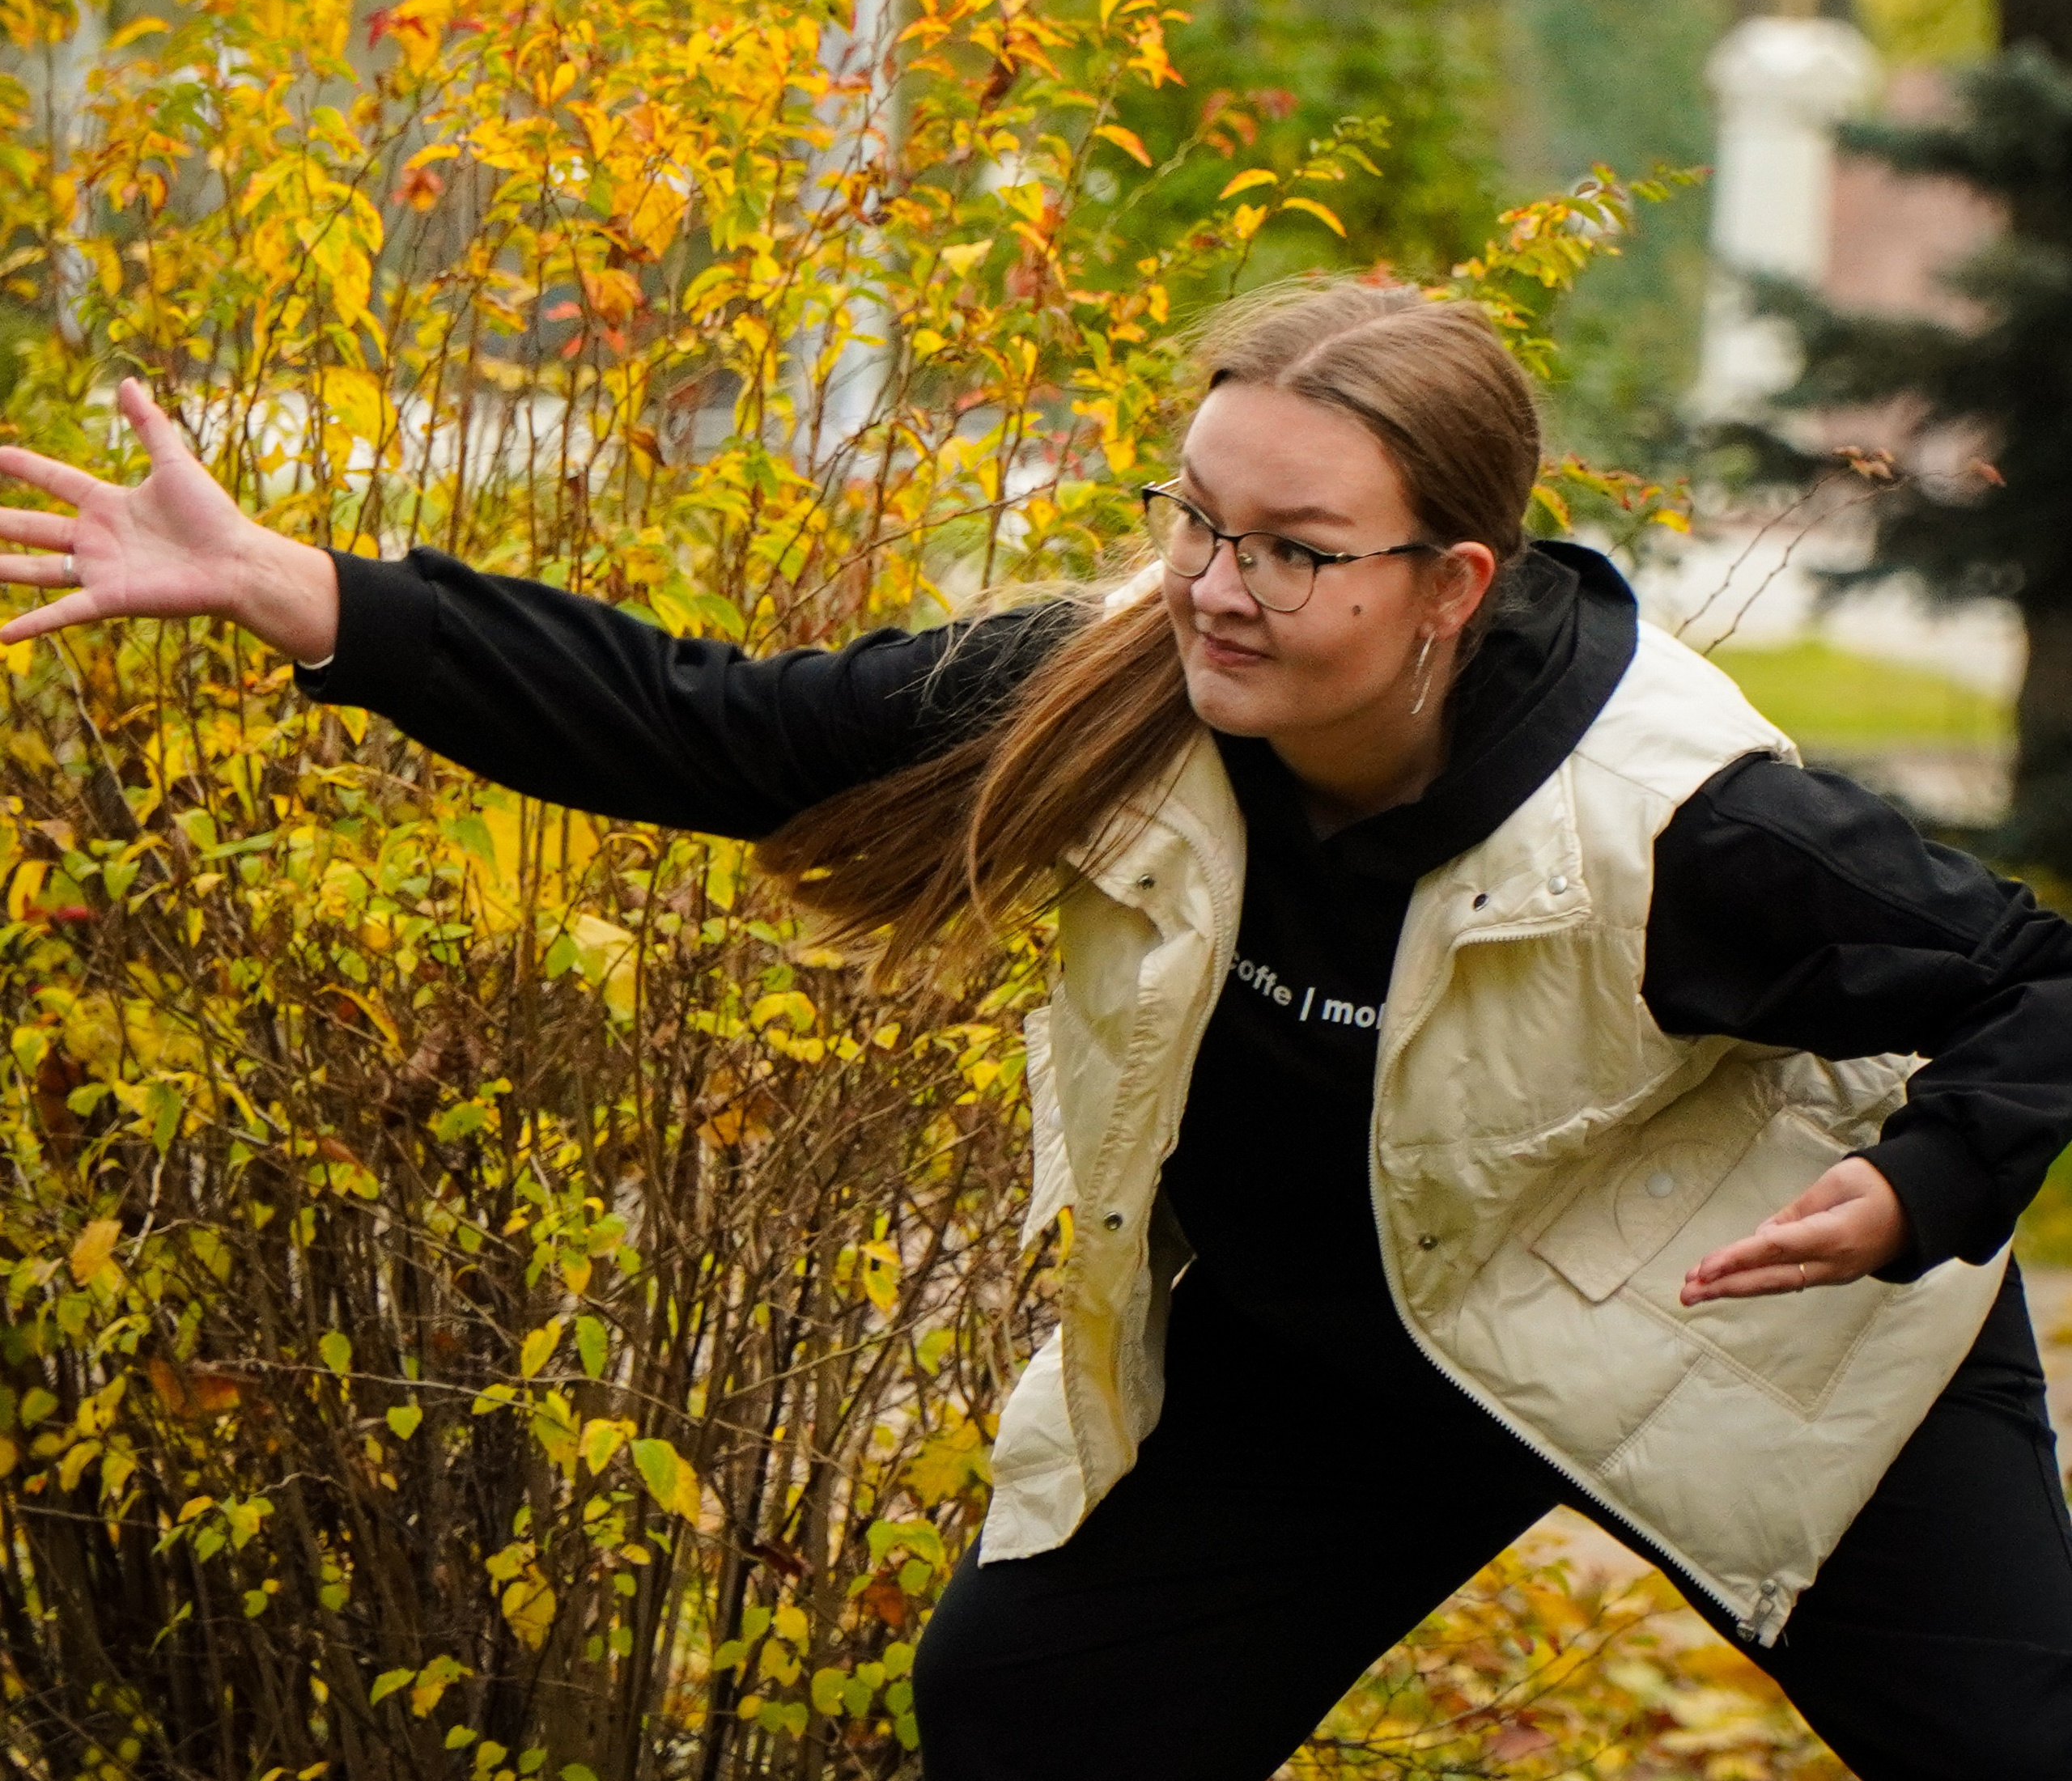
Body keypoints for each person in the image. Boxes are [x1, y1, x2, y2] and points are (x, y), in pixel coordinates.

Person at [3, 282, 2070, 1781]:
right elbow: (714, 726)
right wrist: (325, 600)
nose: (1213, 588)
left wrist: (1905, 1194)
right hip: (1349, 1352)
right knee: (1035, 1711)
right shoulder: (1123, 688)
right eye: (1195, 518)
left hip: (1743, 1314)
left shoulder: (1674, 814)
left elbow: (2025, 986)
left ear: (1452, 579)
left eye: (1291, 552)